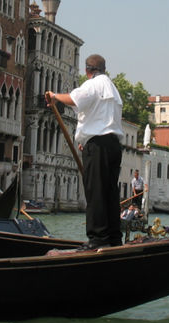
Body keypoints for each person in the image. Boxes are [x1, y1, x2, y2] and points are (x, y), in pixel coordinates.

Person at [45, 54, 124, 250]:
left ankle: (97, 238)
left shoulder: (93, 84)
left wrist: (54, 96)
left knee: (96, 191)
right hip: (113, 145)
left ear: (88, 70)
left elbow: (73, 99)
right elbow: (97, 116)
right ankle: (114, 238)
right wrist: (86, 139)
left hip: (98, 146)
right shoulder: (113, 89)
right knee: (110, 192)